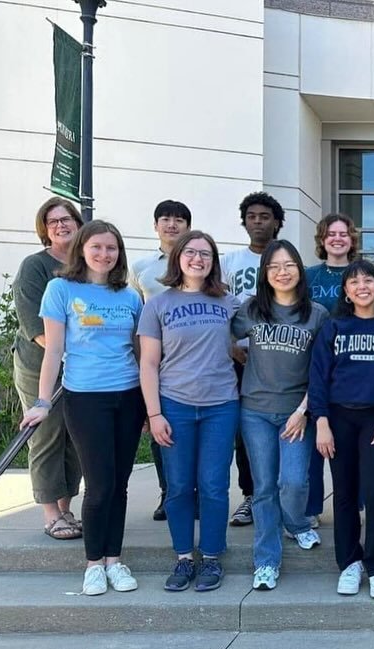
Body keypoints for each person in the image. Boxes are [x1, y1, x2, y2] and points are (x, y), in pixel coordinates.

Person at [20, 219, 145, 597]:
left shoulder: (129, 296)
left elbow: (140, 353)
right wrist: (42, 401)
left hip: (129, 396)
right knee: (100, 484)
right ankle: (93, 564)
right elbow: (54, 350)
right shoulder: (60, 289)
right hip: (85, 398)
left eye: (112, 248)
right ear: (82, 250)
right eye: (97, 247)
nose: (105, 254)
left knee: (119, 484)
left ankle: (114, 559)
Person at [138, 231, 239, 593]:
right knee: (179, 486)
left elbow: (248, 343)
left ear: (214, 262)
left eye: (206, 254)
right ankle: (183, 557)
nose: (198, 259)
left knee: (213, 485)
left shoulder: (228, 302)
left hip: (221, 405)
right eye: (192, 252)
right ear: (178, 256)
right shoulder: (157, 305)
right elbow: (148, 364)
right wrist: (154, 414)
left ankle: (211, 556)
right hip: (175, 405)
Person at [309, 260, 374, 600]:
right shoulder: (335, 326)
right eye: (354, 282)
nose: (362, 286)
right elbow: (319, 376)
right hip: (338, 418)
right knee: (344, 494)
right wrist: (321, 421)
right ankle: (350, 563)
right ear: (347, 292)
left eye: (368, 280)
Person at [234, 240, 329, 591]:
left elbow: (322, 371)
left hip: (296, 413)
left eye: (289, 265)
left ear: (300, 270)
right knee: (263, 488)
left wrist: (303, 411)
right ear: (265, 273)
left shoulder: (316, 314)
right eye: (274, 266)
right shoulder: (252, 310)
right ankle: (266, 561)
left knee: (293, 482)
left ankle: (298, 524)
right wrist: (242, 359)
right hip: (255, 411)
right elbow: (225, 338)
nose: (282, 272)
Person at [12, 197, 83, 540]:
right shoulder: (35, 266)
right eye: (52, 221)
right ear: (45, 229)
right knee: (47, 435)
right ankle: (50, 513)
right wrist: (72, 352)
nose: (60, 225)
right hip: (40, 364)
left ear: (78, 223)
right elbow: (35, 326)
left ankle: (66, 509)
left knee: (75, 437)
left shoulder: (87, 266)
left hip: (81, 368)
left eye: (66, 218)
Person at [221, 191, 284, 527]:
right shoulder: (229, 262)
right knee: (245, 431)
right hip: (240, 357)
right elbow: (217, 310)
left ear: (277, 222)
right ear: (244, 221)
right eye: (252, 216)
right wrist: (231, 345)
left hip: (277, 356)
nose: (258, 222)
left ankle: (283, 496)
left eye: (265, 216)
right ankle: (250, 495)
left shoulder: (285, 259)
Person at [128, 199, 192, 521]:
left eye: (179, 220)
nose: (172, 225)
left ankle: (191, 493)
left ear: (187, 227)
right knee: (159, 426)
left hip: (194, 361)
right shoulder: (141, 268)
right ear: (155, 226)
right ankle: (168, 493)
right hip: (156, 360)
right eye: (165, 219)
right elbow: (133, 316)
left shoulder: (198, 262)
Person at [304, 213, 361, 528]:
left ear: (351, 239)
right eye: (331, 234)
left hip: (352, 370)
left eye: (343, 233)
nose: (337, 238)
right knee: (314, 441)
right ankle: (311, 507)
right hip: (313, 366)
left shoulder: (362, 274)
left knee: (350, 442)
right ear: (322, 239)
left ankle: (355, 502)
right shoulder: (308, 276)